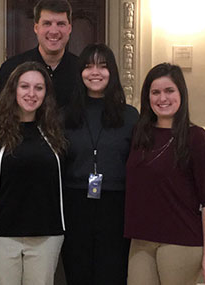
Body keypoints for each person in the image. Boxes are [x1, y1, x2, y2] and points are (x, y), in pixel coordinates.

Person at [124, 63, 205, 284]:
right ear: (147, 97)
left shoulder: (196, 138)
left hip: (181, 241)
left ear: (181, 94)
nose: (162, 98)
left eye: (169, 91)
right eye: (155, 92)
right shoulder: (140, 135)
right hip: (141, 240)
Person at [0, 61, 67, 285]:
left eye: (38, 88)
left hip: (46, 234)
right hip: (1, 235)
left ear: (46, 93)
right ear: (13, 89)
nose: (31, 93)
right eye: (24, 86)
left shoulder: (55, 130)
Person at [62, 43, 139, 285]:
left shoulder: (129, 115)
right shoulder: (64, 115)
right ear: (80, 73)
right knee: (77, 271)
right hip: (74, 204)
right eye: (88, 66)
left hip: (116, 206)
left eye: (102, 67)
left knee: (112, 272)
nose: (95, 72)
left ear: (112, 72)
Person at [0, 0, 78, 110]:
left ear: (69, 28)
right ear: (36, 28)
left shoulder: (82, 70)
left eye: (60, 24)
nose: (54, 31)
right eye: (47, 23)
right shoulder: (11, 68)